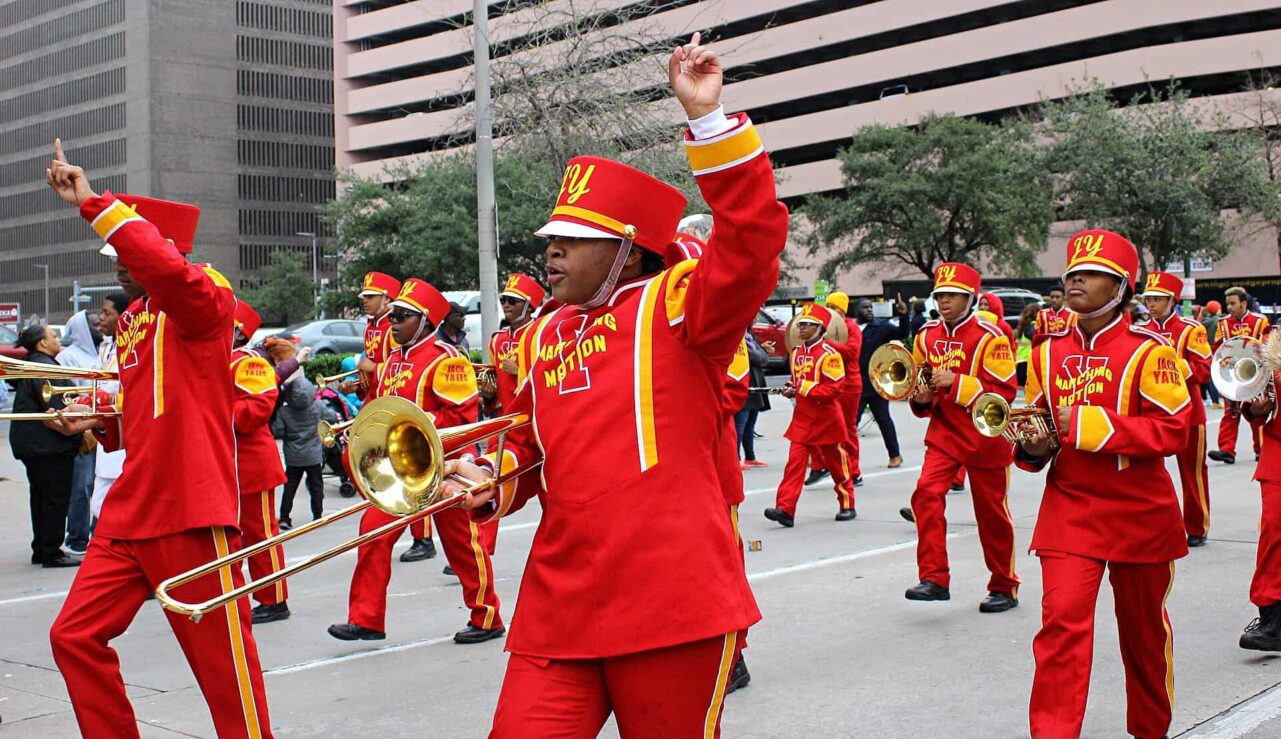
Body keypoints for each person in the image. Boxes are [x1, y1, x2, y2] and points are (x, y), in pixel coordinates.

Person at [438, 34, 777, 735]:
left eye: (573, 237)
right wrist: (487, 472)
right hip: (559, 605)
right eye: (550, 236)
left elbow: (749, 248)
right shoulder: (539, 334)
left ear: (627, 251)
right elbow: (529, 444)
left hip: (672, 598)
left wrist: (709, 124)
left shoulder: (679, 306)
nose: (551, 249)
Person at [42, 140, 272, 738]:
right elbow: (152, 409)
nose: (115, 267)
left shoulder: (204, 302)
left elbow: (170, 274)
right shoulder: (137, 319)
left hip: (191, 511)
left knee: (226, 673)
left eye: (124, 254)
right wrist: (99, 419)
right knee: (73, 636)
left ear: (163, 250)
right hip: (132, 512)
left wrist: (94, 203)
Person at [1015, 229, 1190, 739]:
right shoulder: (1044, 353)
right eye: (1073, 272)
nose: (1076, 281)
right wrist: (1030, 443)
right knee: (1060, 627)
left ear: (1121, 288)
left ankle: (1151, 730)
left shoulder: (1148, 351)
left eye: (1092, 274)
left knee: (1142, 636)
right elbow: (1039, 431)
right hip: (1070, 507)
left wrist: (1095, 426)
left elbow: (1176, 430)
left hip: (1140, 512)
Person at [328, 277, 504, 645]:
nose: (393, 322)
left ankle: (487, 617)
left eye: (403, 316)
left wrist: (416, 427)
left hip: (445, 468)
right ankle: (366, 619)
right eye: (393, 316)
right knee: (372, 531)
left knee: (463, 547)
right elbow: (380, 410)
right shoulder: (392, 359)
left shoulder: (447, 360)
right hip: (401, 472)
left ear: (424, 321)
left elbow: (462, 417)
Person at [903, 262, 1020, 612]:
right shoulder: (925, 335)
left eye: (952, 295)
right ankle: (935, 578)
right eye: (940, 296)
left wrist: (957, 383)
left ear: (970, 297)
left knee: (992, 515)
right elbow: (920, 386)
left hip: (986, 434)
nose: (944, 302)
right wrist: (920, 397)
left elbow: (1006, 392)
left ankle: (1004, 585)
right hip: (944, 433)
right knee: (925, 494)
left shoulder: (991, 336)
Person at [343, 271, 436, 561]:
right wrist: (360, 388)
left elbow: (389, 365)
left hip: (412, 418)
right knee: (352, 459)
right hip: (383, 402)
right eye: (364, 297)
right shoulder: (372, 327)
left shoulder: (392, 330)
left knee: (414, 470)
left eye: (371, 297)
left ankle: (422, 536)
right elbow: (381, 372)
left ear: (386, 298)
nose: (366, 302)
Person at [229, 299, 292, 624]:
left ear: (237, 331)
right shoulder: (224, 359)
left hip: (252, 465)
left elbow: (256, 411)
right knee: (233, 537)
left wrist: (211, 415)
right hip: (229, 465)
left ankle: (274, 598)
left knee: (261, 536)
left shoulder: (249, 363)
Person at [765, 303, 856, 526]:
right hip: (803, 419)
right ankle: (785, 509)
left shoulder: (830, 355)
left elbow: (833, 389)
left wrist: (801, 388)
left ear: (820, 329)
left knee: (837, 464)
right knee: (794, 464)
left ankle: (847, 504)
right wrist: (790, 388)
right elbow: (796, 382)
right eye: (801, 324)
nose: (802, 328)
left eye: (808, 325)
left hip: (827, 419)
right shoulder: (795, 353)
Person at [1141, 272, 1213, 547]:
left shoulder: (1190, 329)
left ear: (1172, 300)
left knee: (1192, 472)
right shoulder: (1142, 331)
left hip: (1189, 413)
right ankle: (1153, 525)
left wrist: (1172, 367)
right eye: (1149, 300)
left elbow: (1203, 371)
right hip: (1150, 414)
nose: (1152, 305)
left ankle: (1196, 525)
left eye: (1158, 299)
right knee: (1147, 474)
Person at [9, 323, 82, 568]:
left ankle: (41, 547)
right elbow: (58, 406)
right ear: (42, 343)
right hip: (48, 445)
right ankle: (51, 551)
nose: (57, 340)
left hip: (33, 444)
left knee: (41, 497)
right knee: (55, 497)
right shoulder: (44, 366)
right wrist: (78, 433)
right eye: (52, 336)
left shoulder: (33, 363)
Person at [1239, 343, 1281, 650]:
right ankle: (1272, 618)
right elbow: (1257, 403)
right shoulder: (1273, 348)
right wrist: (1255, 408)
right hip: (1279, 453)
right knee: (1274, 530)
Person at [802, 291, 865, 488]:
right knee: (815, 426)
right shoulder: (822, 327)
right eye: (828, 307)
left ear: (843, 311)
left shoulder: (851, 328)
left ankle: (853, 472)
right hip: (825, 383)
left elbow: (852, 352)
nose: (831, 311)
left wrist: (826, 344)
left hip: (848, 385)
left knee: (847, 429)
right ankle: (820, 466)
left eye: (835, 308)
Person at [55, 309, 101, 555]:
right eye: (94, 324)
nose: (99, 327)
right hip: (83, 429)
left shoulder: (103, 352)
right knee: (81, 487)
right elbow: (67, 393)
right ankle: (77, 537)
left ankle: (96, 534)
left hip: (100, 428)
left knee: (99, 486)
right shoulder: (68, 357)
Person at [1209, 286, 1271, 464]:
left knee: (1256, 411)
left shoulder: (1260, 321)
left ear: (1244, 303)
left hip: (1257, 374)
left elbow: (1267, 345)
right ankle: (1227, 450)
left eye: (1233, 303)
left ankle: (1261, 449)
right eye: (1227, 304)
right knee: (1231, 411)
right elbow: (1218, 348)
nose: (1229, 307)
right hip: (1234, 374)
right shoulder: (1223, 323)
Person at [273, 360, 330, 531]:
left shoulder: (284, 412)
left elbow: (278, 431)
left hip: (293, 457)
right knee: (316, 487)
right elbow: (332, 418)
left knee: (289, 488)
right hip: (313, 456)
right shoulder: (318, 407)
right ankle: (318, 515)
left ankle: (284, 517)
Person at [854, 297, 910, 467]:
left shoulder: (882, 327)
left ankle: (895, 455)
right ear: (857, 311)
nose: (869, 310)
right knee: (851, 423)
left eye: (871, 307)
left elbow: (902, 334)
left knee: (884, 420)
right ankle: (840, 459)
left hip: (877, 383)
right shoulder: (849, 329)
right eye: (865, 307)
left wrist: (903, 315)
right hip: (856, 384)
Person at [480, 273, 545, 416]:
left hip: (534, 420)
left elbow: (552, 379)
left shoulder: (542, 334)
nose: (506, 305)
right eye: (503, 300)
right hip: (505, 422)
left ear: (529, 306)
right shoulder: (497, 339)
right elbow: (497, 386)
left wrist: (519, 371)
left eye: (513, 301)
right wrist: (489, 395)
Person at [91, 292, 129, 521]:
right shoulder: (105, 347)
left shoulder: (131, 345)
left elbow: (116, 388)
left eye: (107, 313)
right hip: (106, 438)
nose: (100, 318)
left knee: (115, 512)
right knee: (99, 507)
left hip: (123, 434)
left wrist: (93, 402)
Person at [737, 330, 771, 468]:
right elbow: (757, 357)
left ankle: (750, 456)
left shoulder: (750, 338)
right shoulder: (738, 339)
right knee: (740, 425)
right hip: (745, 385)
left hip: (756, 386)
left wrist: (761, 352)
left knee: (750, 424)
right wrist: (760, 353)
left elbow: (763, 358)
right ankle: (736, 458)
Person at [1201, 300, 1224, 408]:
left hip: (1206, 350)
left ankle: (1212, 400)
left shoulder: (1204, 322)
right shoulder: (1218, 322)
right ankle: (1216, 401)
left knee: (1209, 376)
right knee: (1215, 377)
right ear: (1217, 310)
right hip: (1216, 350)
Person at [1014, 302, 1039, 387]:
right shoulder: (1034, 326)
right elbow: (1036, 338)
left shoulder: (1023, 327)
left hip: (1021, 363)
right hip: (1028, 363)